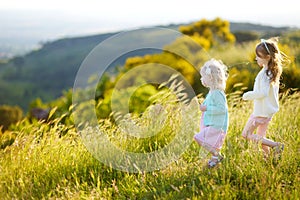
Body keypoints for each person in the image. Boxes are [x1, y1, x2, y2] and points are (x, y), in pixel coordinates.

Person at [241, 37, 288, 159]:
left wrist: (248, 95)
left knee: (246, 134)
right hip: (267, 111)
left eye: (258, 56)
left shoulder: (266, 74)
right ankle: (266, 159)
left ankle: (276, 145)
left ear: (267, 57)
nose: (256, 58)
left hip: (261, 112)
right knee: (261, 138)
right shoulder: (270, 71)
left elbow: (263, 93)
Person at [194, 58, 229, 168]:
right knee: (215, 144)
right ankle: (214, 161)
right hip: (213, 123)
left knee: (198, 138)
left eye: (203, 76)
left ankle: (217, 155)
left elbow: (222, 109)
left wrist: (207, 108)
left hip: (217, 125)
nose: (201, 79)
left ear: (210, 77)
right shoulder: (212, 92)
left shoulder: (217, 93)